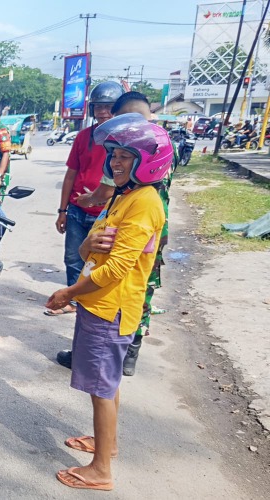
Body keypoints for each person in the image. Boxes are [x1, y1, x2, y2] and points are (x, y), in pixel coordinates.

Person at [45, 113, 170, 491]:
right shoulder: (125, 195)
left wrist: (68, 292)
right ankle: (107, 444)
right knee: (108, 382)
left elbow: (115, 268)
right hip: (100, 305)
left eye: (125, 156)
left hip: (110, 309)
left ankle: (100, 470)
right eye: (113, 154)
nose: (115, 162)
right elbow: (93, 245)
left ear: (147, 161)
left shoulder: (144, 202)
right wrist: (84, 246)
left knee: (101, 389)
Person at [70, 91, 176, 375]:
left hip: (138, 224)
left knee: (134, 285)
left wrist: (85, 201)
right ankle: (123, 349)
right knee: (138, 284)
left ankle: (123, 348)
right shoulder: (159, 146)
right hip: (143, 223)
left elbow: (105, 191)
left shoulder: (142, 151)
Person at [47, 81, 123, 319]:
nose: (102, 111)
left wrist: (94, 200)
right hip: (77, 211)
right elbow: (71, 174)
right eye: (98, 106)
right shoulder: (83, 137)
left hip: (107, 213)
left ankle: (94, 303)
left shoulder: (123, 140)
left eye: (108, 106)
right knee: (72, 257)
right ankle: (73, 299)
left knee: (102, 262)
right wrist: (62, 210)